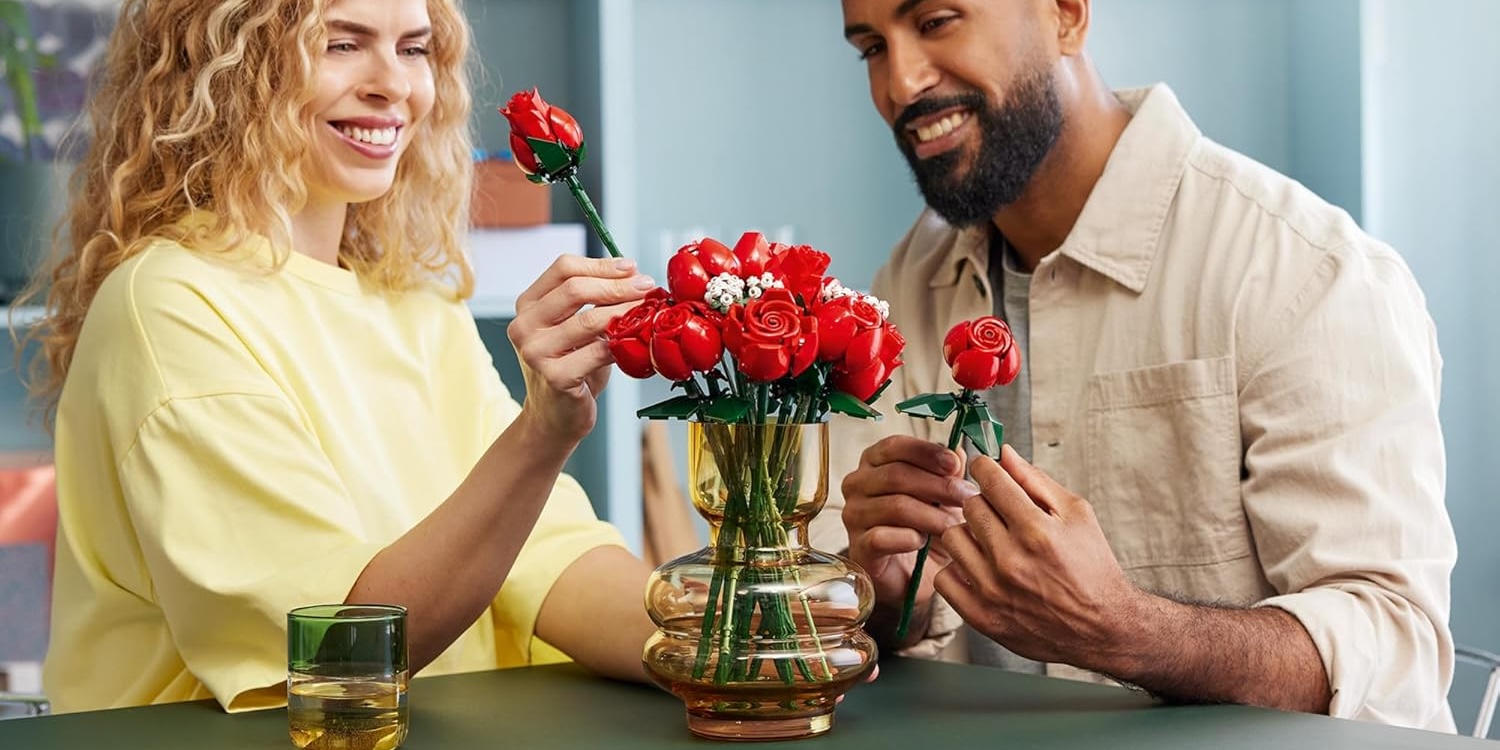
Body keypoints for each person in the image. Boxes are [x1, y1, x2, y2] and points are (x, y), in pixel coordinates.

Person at [815, 0, 1458, 731]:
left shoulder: (1307, 273)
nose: (899, 83)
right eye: (871, 47)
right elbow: (863, 614)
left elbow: (1394, 651)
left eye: (935, 21)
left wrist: (1125, 628)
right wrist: (895, 595)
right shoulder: (907, 281)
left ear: (1066, 15)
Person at [18, 0, 657, 713]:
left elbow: (549, 554)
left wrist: (721, 646)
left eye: (414, 49)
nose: (395, 84)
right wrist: (543, 435)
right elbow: (344, 648)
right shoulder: (172, 305)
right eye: (342, 44)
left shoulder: (414, 302)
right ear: (229, 70)